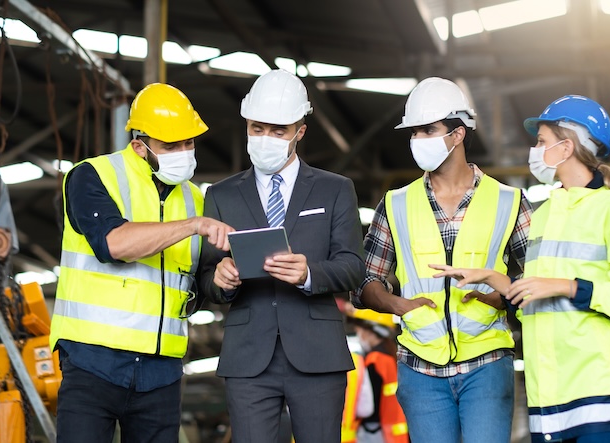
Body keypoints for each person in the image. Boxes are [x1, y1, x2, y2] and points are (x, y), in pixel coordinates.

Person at [430, 95, 610, 442]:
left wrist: (567, 286)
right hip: (552, 395)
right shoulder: (542, 215)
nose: (535, 149)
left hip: (601, 390)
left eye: (541, 141)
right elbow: (537, 304)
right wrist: (497, 282)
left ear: (566, 147)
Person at [50, 83, 234, 442]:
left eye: (189, 143)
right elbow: (113, 243)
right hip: (94, 360)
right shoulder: (93, 176)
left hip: (161, 370)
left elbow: (200, 282)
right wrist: (192, 226)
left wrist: (224, 281)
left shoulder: (196, 199)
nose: (183, 152)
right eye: (171, 145)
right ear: (139, 145)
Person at [355, 77, 533, 443]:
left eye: (428, 130)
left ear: (458, 133)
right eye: (414, 132)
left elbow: (538, 280)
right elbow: (365, 281)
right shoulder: (394, 204)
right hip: (419, 367)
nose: (418, 140)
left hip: (487, 360)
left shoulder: (509, 200)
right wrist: (395, 303)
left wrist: (500, 295)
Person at [198, 69, 366, 443]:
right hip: (248, 358)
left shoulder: (335, 190)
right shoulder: (220, 195)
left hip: (317, 355)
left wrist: (310, 274)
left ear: (299, 132)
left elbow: (353, 267)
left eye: (278, 131)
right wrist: (220, 280)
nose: (266, 138)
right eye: (257, 129)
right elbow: (205, 276)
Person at [347, 308, 409, 443]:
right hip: (394, 429)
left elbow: (368, 407)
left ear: (371, 332)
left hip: (376, 431)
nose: (358, 334)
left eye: (358, 330)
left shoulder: (375, 360)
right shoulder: (392, 355)